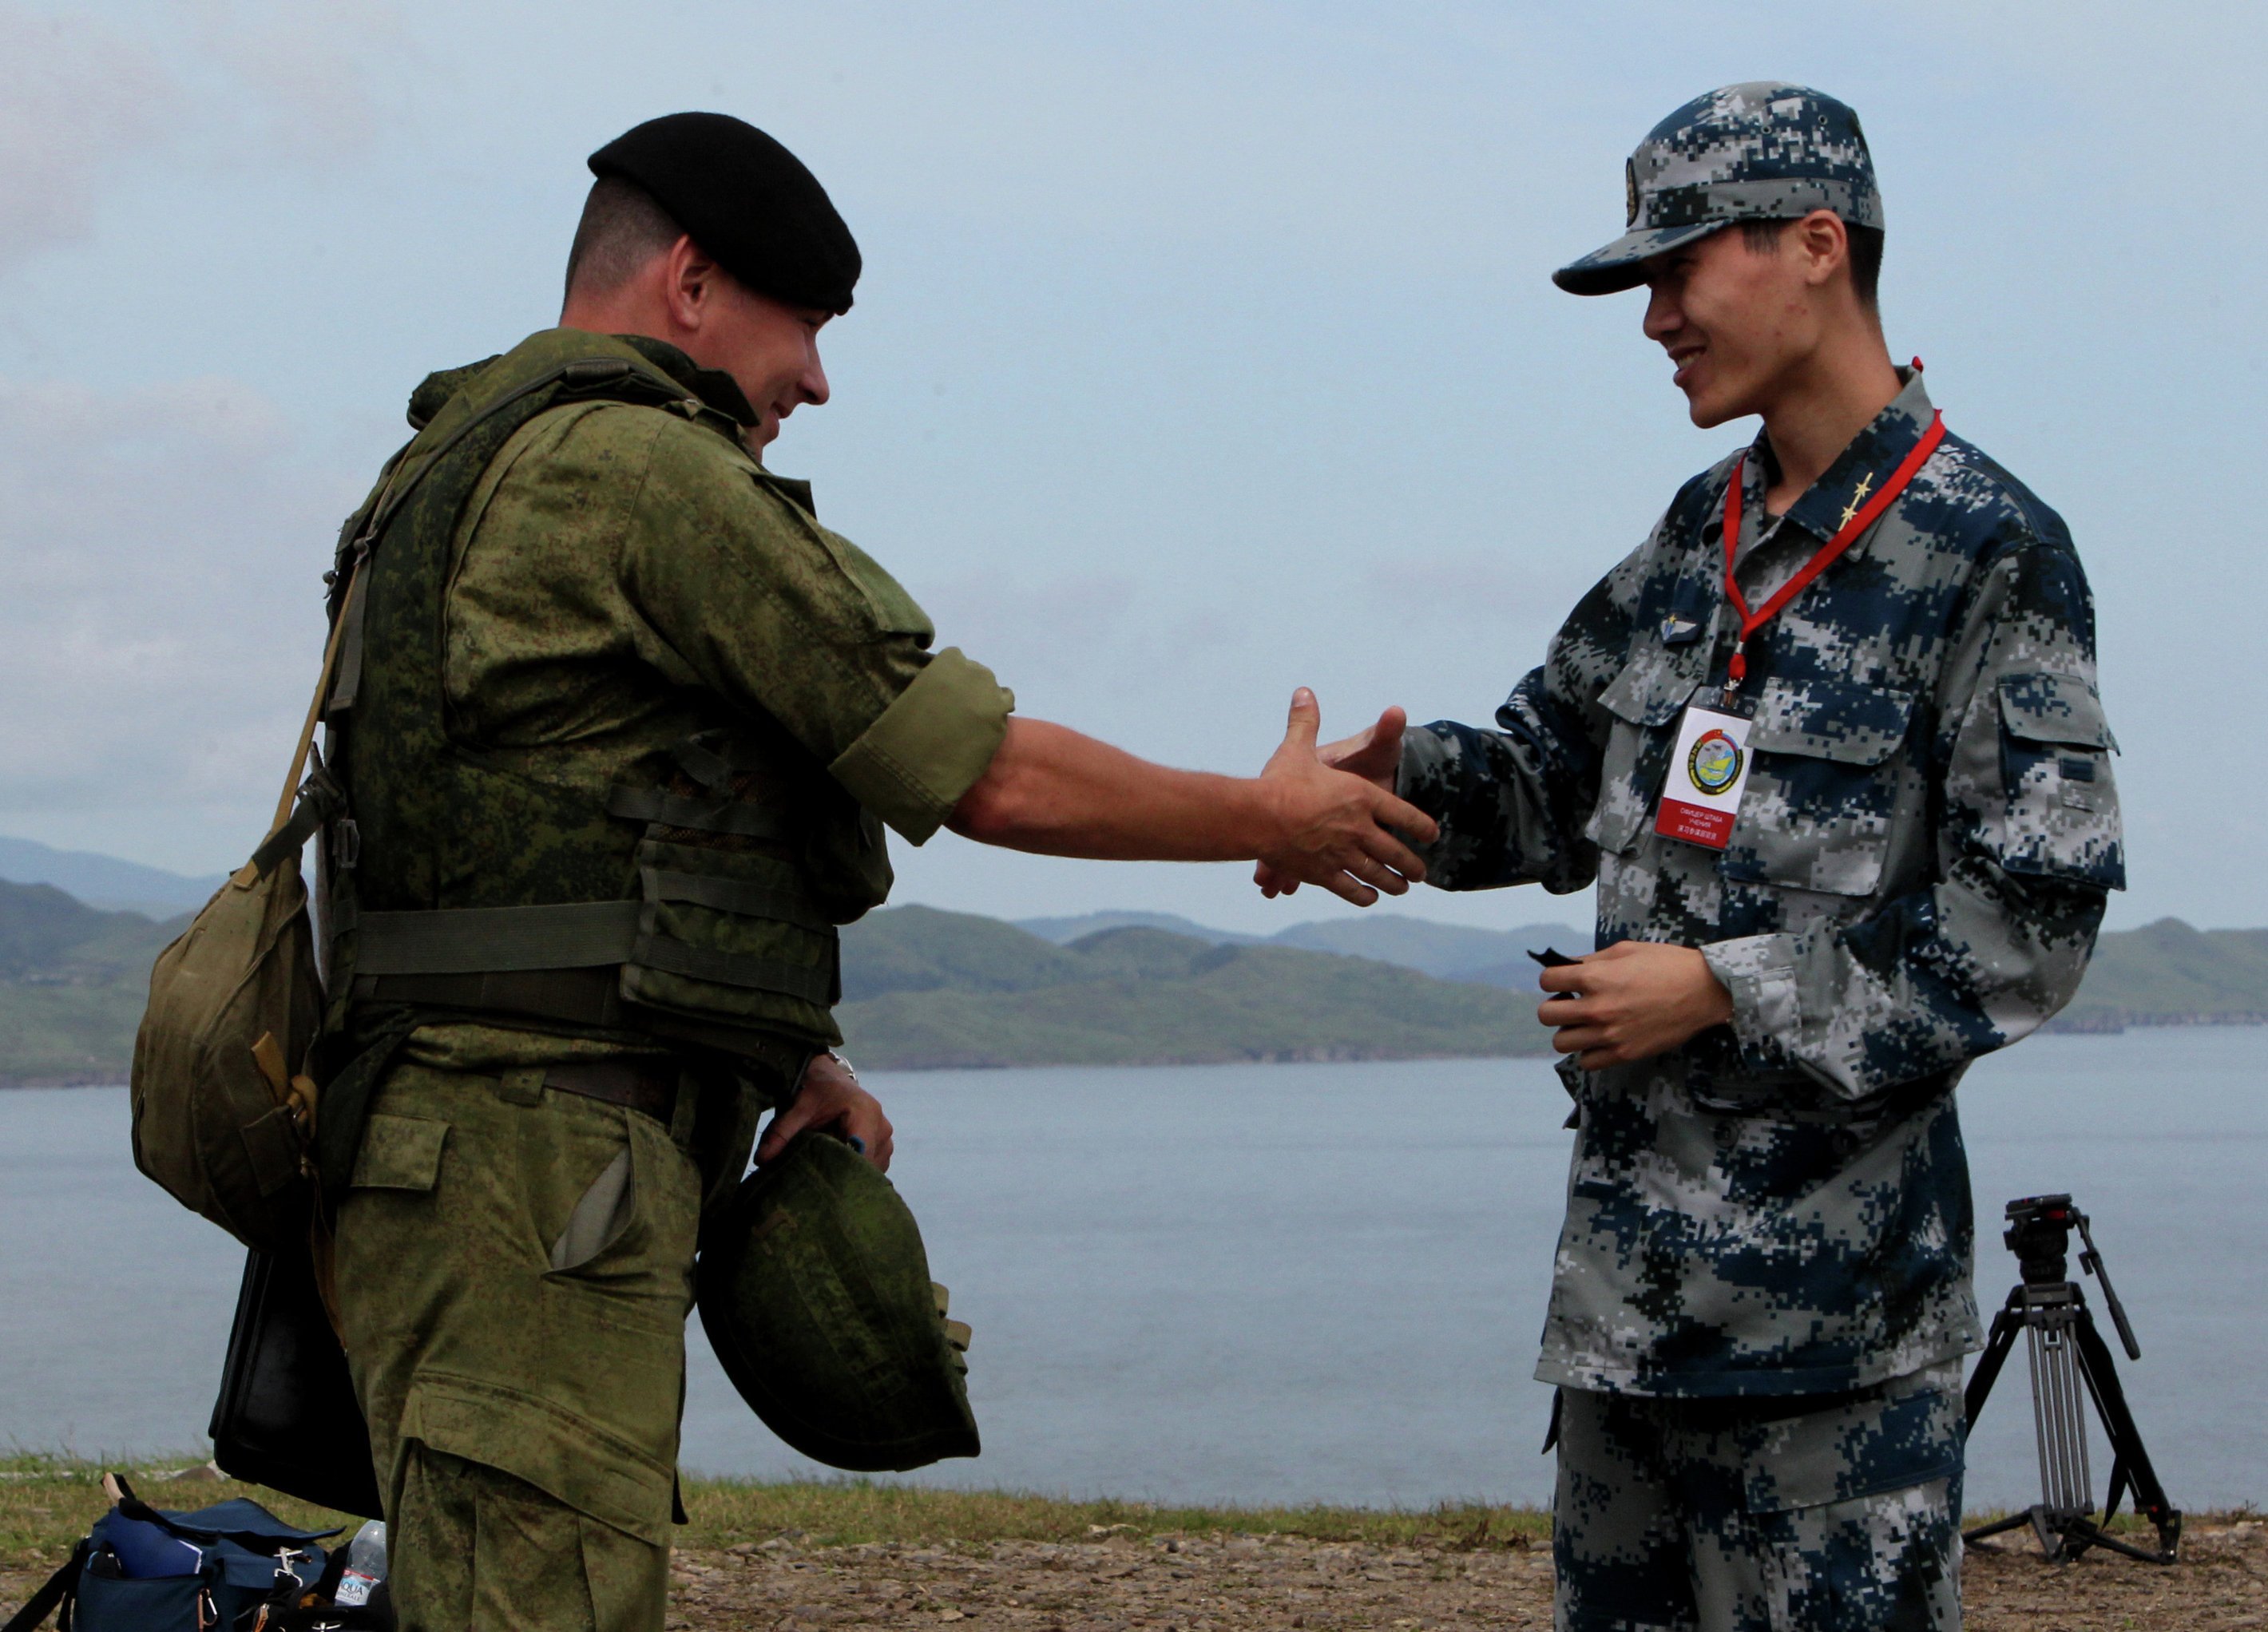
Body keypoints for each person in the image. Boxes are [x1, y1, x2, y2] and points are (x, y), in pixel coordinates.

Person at [317, 112, 1437, 1632]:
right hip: (536, 1180)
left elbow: (543, 838)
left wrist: (787, 1047)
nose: (818, 382)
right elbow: (983, 771)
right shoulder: (644, 471)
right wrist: (1265, 814)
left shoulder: (449, 463)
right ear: (695, 284)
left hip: (452, 1160)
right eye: (809, 329)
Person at [1263, 83, 2122, 1630]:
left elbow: (2028, 923)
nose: (1653, 315)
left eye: (1678, 268)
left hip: (1832, 1368)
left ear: (1814, 244)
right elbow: (1537, 780)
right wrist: (1368, 791)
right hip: (1628, 1344)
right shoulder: (1692, 541)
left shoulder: (1985, 549)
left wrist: (1719, 990)